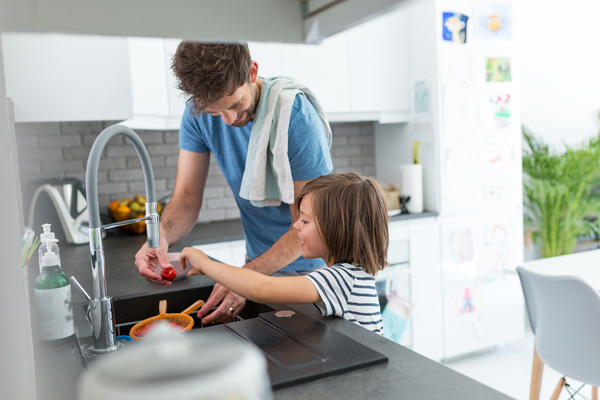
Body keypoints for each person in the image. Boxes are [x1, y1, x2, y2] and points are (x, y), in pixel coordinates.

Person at [134, 41, 333, 324]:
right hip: (254, 265)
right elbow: (187, 198)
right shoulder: (197, 115)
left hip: (308, 274)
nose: (228, 120)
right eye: (215, 112)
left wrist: (245, 277)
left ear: (252, 72)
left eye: (236, 104)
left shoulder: (296, 117)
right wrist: (161, 237)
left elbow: (311, 226)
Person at [179, 173, 389, 334]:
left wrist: (205, 264)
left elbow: (261, 288)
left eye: (305, 220)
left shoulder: (342, 279)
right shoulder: (349, 273)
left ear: (336, 229)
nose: (296, 225)